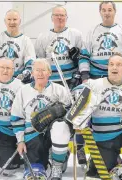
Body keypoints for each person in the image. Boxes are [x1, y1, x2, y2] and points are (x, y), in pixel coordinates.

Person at [0, 9, 36, 167]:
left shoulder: (26, 40)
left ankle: (16, 146)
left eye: (15, 19)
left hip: (18, 83)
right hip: (0, 81)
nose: (12, 22)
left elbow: (30, 62)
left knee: (16, 115)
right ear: (5, 21)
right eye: (9, 19)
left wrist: (24, 74)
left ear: (20, 21)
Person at [34, 6, 86, 167]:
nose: (59, 18)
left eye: (62, 15)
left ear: (67, 17)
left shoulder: (76, 35)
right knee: (53, 116)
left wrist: (78, 63)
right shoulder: (43, 37)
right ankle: (56, 150)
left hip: (71, 81)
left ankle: (81, 148)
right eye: (56, 15)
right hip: (51, 84)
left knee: (77, 115)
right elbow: (39, 62)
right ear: (52, 17)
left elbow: (83, 58)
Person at [12, 58, 72, 180]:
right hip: (32, 136)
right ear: (32, 73)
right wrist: (20, 141)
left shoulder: (59, 90)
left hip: (52, 133)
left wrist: (63, 111)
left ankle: (57, 164)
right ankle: (58, 157)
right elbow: (17, 118)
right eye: (37, 70)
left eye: (43, 70)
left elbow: (72, 115)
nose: (40, 73)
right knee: (37, 167)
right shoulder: (23, 91)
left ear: (49, 72)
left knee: (60, 126)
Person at [79, 1, 122, 81]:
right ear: (100, 12)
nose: (107, 13)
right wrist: (84, 77)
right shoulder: (92, 31)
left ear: (115, 11)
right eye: (104, 10)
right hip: (96, 77)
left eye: (110, 10)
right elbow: (84, 56)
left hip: (118, 77)